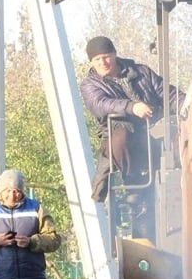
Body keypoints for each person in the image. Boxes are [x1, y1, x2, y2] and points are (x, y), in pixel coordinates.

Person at [78, 36, 184, 237]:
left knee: (182, 135)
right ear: (91, 62)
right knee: (120, 138)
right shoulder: (90, 85)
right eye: (97, 59)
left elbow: (167, 94)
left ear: (115, 54)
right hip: (122, 134)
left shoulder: (142, 72)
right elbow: (101, 104)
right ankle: (134, 190)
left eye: (106, 57)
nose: (103, 63)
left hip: (155, 134)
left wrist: (187, 104)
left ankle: (186, 179)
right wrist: (132, 107)